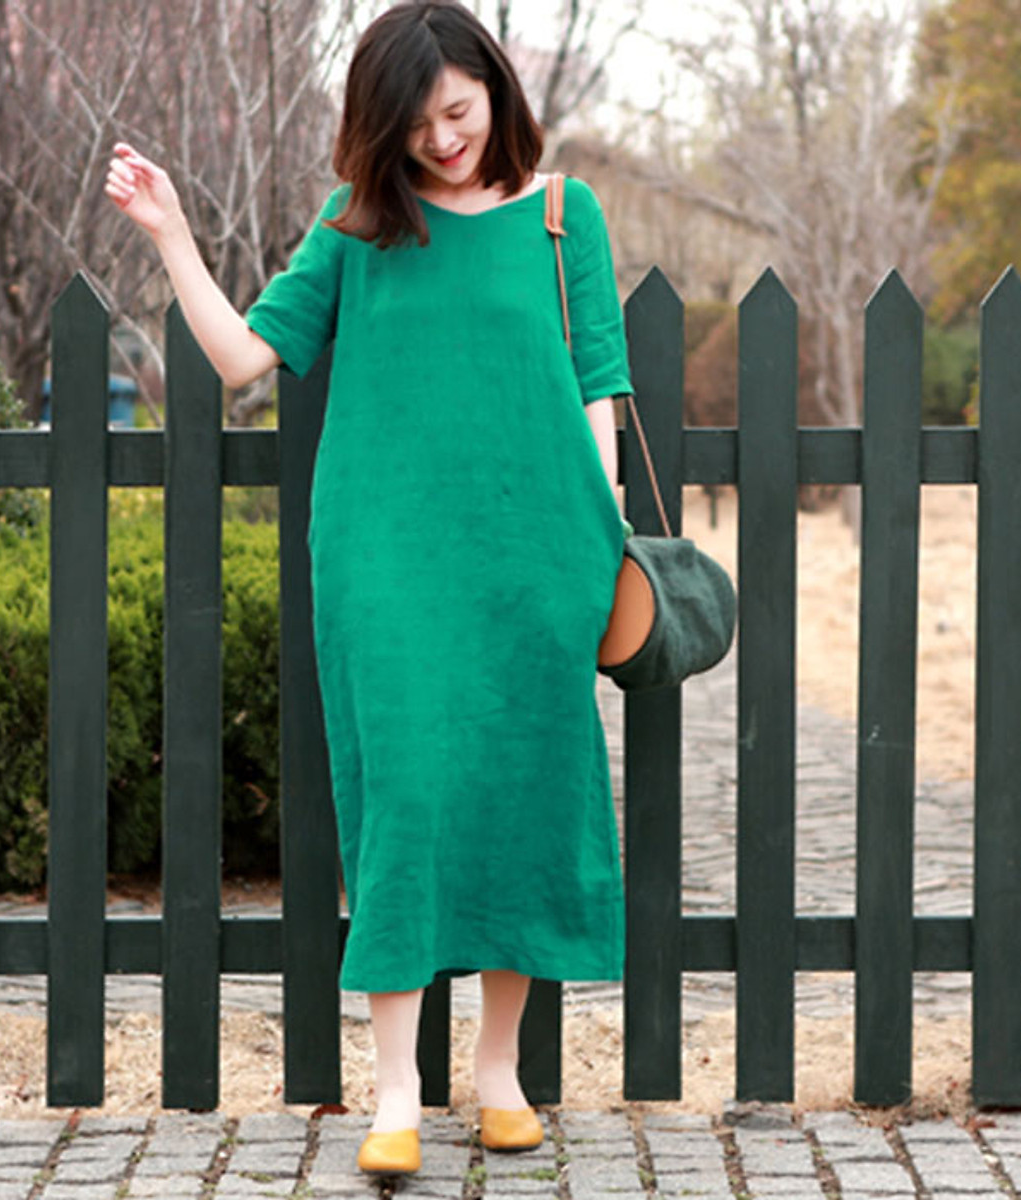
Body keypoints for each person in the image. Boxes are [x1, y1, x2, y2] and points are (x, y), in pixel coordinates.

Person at [104, 0, 631, 1176]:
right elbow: (245, 358)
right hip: (385, 563)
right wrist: (171, 235)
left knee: (522, 793)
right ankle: (396, 1091)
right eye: (418, 124)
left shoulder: (563, 216)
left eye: (459, 110)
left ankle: (497, 1073)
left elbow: (599, 384)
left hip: (539, 559)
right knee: (403, 801)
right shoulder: (353, 227)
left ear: (495, 90)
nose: (443, 139)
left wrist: (598, 550)